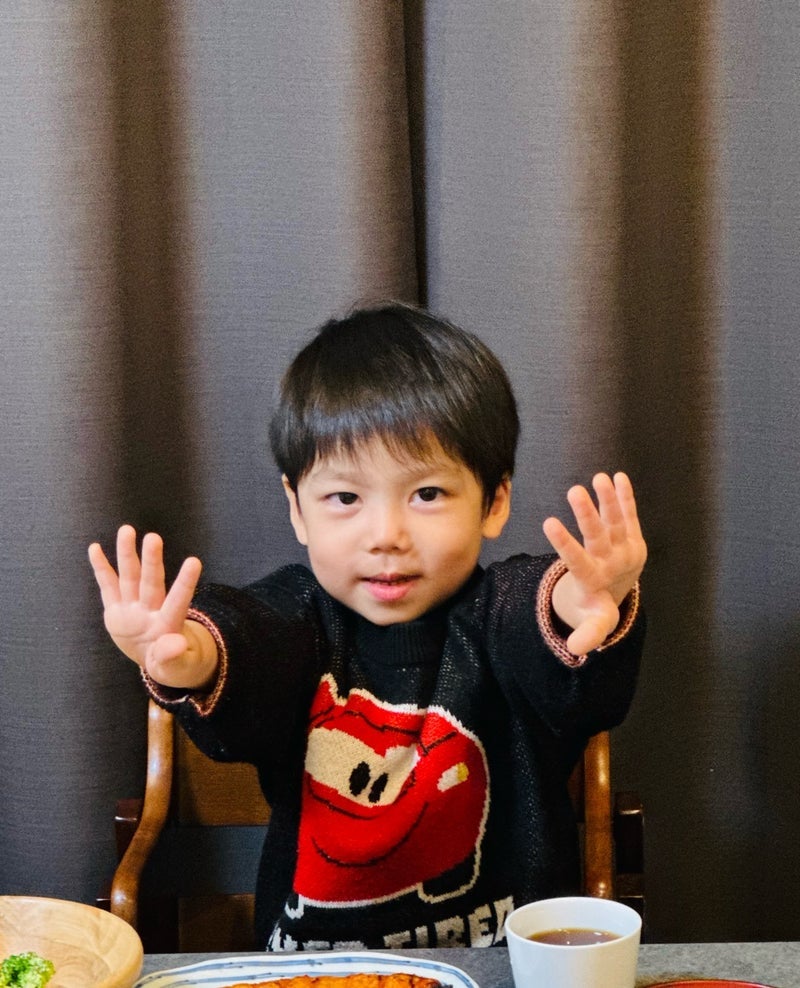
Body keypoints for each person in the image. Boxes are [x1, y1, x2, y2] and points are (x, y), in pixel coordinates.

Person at [89, 302, 647, 952]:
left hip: (499, 969)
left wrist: (580, 604)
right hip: (308, 972)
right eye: (345, 498)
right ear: (297, 510)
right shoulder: (302, 620)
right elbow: (249, 635)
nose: (386, 535)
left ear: (494, 502)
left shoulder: (500, 614)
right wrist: (189, 657)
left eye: (427, 494)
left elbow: (541, 617)